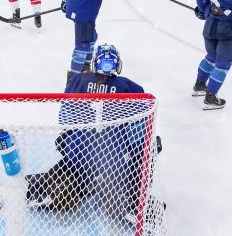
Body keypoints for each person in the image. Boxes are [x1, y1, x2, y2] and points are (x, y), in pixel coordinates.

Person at [27, 44, 164, 224]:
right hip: (112, 161)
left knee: (68, 167)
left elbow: (64, 119)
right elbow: (138, 133)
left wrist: (70, 137)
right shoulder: (130, 88)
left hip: (80, 155)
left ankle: (36, 188)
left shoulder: (77, 81)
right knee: (151, 144)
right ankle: (134, 203)